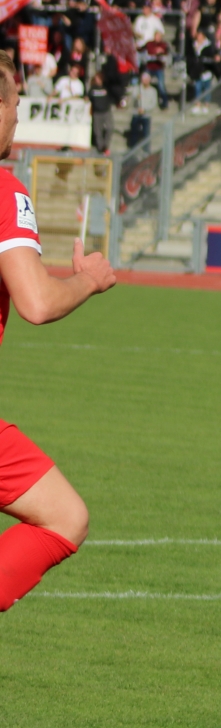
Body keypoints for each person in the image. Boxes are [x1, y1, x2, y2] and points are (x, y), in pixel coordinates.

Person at [0, 53, 117, 615]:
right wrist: (88, 280)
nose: (18, 117)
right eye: (15, 104)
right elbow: (38, 303)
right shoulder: (5, 192)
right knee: (65, 517)